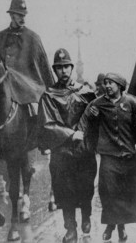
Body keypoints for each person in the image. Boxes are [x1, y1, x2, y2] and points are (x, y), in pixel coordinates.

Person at [78, 72, 136, 241]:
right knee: (108, 193)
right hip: (108, 157)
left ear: (120, 86)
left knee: (126, 194)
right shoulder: (98, 103)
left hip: (128, 156)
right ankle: (110, 226)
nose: (107, 86)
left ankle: (121, 227)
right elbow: (85, 118)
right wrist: (80, 132)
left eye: (111, 83)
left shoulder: (131, 102)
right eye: (106, 83)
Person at [0, 0, 55, 157]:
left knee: (38, 106)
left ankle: (42, 140)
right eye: (18, 14)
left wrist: (52, 89)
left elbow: (45, 67)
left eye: (23, 15)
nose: (22, 18)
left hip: (27, 83)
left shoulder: (33, 38)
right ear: (11, 15)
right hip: (3, 83)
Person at [38, 48, 97, 243]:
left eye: (66, 67)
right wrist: (72, 134)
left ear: (72, 68)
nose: (63, 71)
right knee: (64, 192)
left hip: (84, 152)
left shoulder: (86, 92)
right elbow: (47, 124)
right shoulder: (49, 96)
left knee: (86, 188)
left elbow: (96, 118)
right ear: (55, 70)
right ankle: (70, 228)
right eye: (59, 68)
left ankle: (86, 216)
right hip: (61, 153)